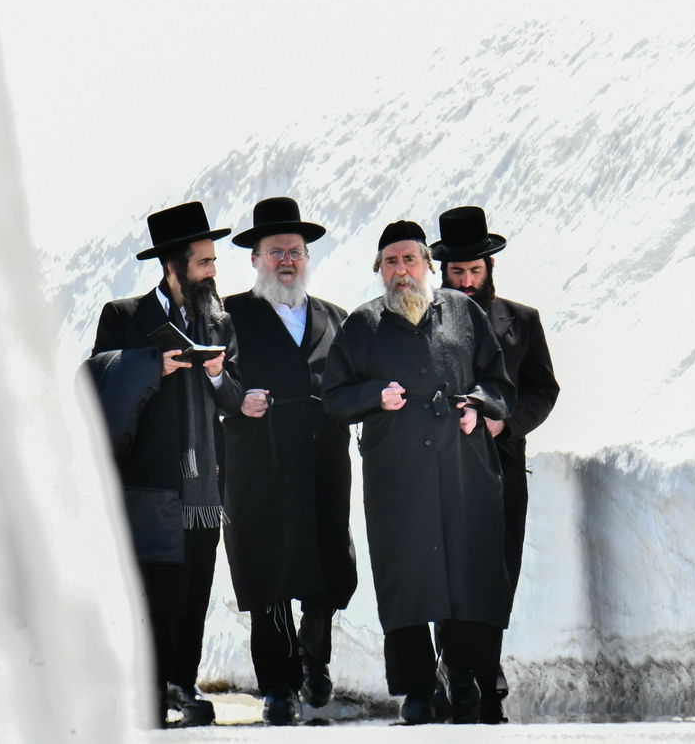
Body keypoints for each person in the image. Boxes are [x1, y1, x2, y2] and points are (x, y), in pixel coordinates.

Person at [322, 220, 517, 725]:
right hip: (397, 474)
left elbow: (498, 379)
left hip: (462, 467)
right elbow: (334, 395)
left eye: (410, 259)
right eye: (391, 261)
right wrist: (373, 397)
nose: (401, 270)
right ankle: (414, 689)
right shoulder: (362, 325)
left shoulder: (463, 313)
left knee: (466, 568)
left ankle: (465, 675)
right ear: (379, 269)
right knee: (406, 575)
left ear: (427, 264)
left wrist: (479, 405)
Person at [86, 201, 243, 728]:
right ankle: (148, 688)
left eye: (213, 261)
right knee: (152, 590)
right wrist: (154, 364)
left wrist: (220, 376)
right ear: (172, 265)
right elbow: (97, 380)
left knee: (194, 588)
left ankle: (182, 680)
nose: (213, 271)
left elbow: (234, 398)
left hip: (203, 488)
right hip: (149, 483)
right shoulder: (125, 317)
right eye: (204, 262)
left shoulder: (220, 321)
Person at [220, 197, 358, 725]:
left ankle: (313, 653)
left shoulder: (335, 318)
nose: (286, 260)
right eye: (274, 251)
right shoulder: (228, 316)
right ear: (254, 259)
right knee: (268, 571)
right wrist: (236, 399)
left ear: (306, 258)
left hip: (325, 460)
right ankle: (278, 684)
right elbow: (211, 383)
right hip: (260, 461)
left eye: (295, 251)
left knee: (327, 565)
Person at [431, 205, 560, 717]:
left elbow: (543, 389)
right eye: (456, 272)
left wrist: (505, 422)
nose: (465, 281)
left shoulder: (522, 321)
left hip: (503, 463)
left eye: (474, 271)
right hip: (442, 466)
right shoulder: (426, 321)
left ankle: (485, 664)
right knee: (451, 571)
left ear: (490, 268)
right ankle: (461, 670)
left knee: (499, 567)